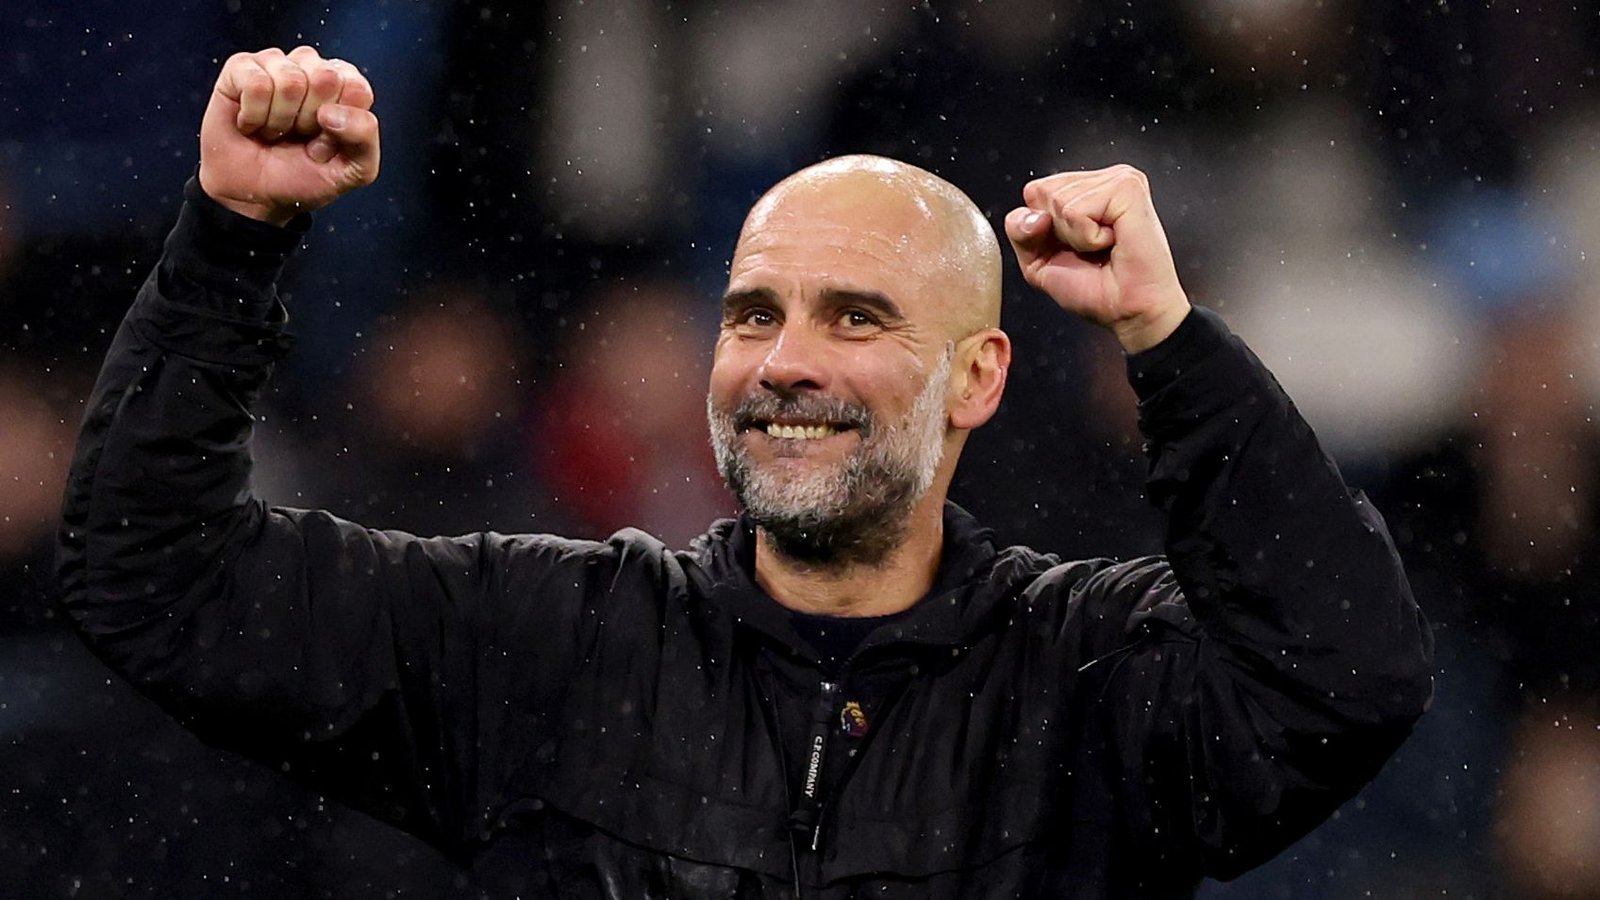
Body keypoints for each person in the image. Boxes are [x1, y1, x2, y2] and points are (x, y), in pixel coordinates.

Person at [57, 46, 1432, 899]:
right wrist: (233, 240)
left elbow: (1347, 672)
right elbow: (154, 578)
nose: (785, 362)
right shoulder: (544, 639)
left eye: (857, 319)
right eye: (753, 314)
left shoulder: (1086, 671)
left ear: (979, 379)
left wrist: (1167, 342)